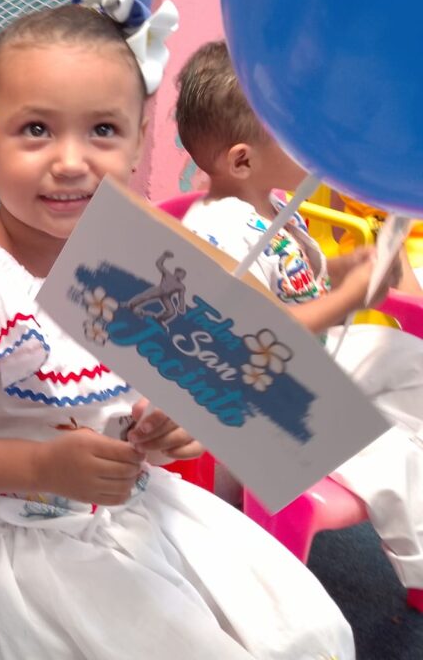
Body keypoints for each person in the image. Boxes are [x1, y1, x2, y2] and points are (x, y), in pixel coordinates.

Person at [0, 0, 354, 660]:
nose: (71, 161)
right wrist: (40, 468)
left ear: (136, 147)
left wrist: (178, 423)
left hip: (142, 504)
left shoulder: (137, 255)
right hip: (30, 535)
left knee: (308, 629)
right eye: (35, 129)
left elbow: (199, 372)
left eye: (102, 130)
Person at [177, 39, 423, 612]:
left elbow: (295, 276)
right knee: (387, 456)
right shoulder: (218, 230)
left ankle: (407, 438)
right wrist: (351, 297)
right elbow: (265, 331)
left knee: (402, 353)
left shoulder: (272, 205)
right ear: (242, 160)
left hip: (311, 360)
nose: (313, 144)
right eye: (294, 133)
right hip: (261, 396)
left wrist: (344, 267)